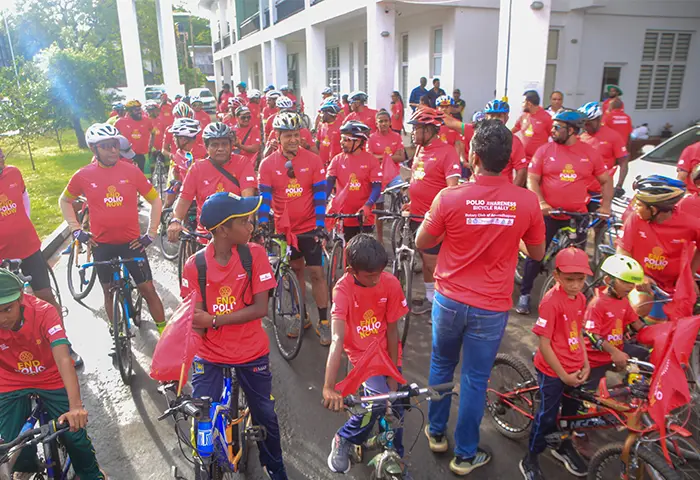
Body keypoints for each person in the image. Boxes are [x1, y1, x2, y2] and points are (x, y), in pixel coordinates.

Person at [415, 119, 545, 476]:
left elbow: (422, 241)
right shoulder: (526, 201)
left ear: (473, 157)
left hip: (449, 300)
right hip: (490, 307)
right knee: (474, 379)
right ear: (507, 161)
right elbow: (536, 254)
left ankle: (436, 433)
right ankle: (465, 454)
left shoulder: (449, 197)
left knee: (441, 365)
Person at [180, 192, 289, 480]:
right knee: (202, 417)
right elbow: (196, 321)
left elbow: (260, 308)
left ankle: (275, 467)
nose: (251, 226)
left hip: (251, 353)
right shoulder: (195, 265)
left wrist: (215, 320)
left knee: (265, 414)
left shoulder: (254, 254)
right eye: (243, 221)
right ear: (222, 230)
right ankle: (204, 463)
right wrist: (181, 356)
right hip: (209, 356)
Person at [59, 124, 166, 335]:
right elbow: (64, 200)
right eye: (106, 146)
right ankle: (117, 331)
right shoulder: (83, 175)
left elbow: (155, 200)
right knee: (108, 292)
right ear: (94, 149)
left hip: (131, 243)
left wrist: (151, 234)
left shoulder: (131, 171)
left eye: (115, 145)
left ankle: (164, 334)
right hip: (101, 244)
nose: (113, 150)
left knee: (148, 289)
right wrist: (76, 230)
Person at [0, 270, 106, 479]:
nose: (2, 319)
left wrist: (76, 407)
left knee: (74, 434)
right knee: (12, 443)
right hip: (10, 380)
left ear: (21, 297)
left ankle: (91, 474)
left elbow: (64, 359)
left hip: (51, 376)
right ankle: (27, 467)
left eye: (7, 309)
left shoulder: (44, 312)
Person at [321, 234, 408, 475]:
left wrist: (393, 372)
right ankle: (345, 438)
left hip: (387, 352)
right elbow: (337, 340)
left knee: (398, 405)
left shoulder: (390, 283)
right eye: (370, 275)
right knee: (377, 403)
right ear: (351, 271)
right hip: (361, 356)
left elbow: (392, 331)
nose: (376, 279)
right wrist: (328, 387)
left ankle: (397, 457)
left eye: (379, 273)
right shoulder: (342, 290)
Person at [516, 110, 612, 316]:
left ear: (572, 131)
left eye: (557, 127)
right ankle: (525, 293)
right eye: (553, 126)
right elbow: (532, 178)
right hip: (549, 214)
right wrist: (541, 202)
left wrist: (606, 206)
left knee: (577, 260)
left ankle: (571, 301)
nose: (552, 130)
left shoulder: (589, 153)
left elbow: (605, 180)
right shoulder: (545, 150)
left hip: (577, 215)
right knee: (536, 255)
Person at [0, 149, 83, 367]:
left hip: (28, 247)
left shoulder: (13, 173)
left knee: (46, 297)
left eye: (1, 156)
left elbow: (24, 200)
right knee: (6, 308)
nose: (1, 160)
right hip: (2, 258)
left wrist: (21, 226)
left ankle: (63, 345)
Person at [258, 112, 330, 344]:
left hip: (310, 227)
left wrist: (321, 225)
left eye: (296, 135)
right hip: (285, 230)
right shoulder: (267, 164)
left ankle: (324, 321)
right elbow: (265, 199)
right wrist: (262, 224)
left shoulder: (313, 160)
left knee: (317, 273)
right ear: (277, 137)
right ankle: (302, 316)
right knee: (296, 271)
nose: (293, 140)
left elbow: (320, 196)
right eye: (288, 135)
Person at [520, 247, 591, 480]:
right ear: (557, 276)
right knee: (547, 416)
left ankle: (562, 445)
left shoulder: (581, 299)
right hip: (553, 370)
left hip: (575, 368)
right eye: (570, 279)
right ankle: (531, 458)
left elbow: (578, 333)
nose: (576, 285)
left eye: (580, 279)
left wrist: (586, 363)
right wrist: (562, 375)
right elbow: (545, 344)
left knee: (571, 413)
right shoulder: (551, 302)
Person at [617, 175, 700, 320]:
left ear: (654, 209)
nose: (635, 208)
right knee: (641, 306)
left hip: (671, 287)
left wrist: (689, 276)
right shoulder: (635, 219)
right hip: (641, 279)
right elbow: (622, 251)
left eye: (639, 205)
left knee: (668, 326)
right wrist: (638, 276)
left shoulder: (688, 224)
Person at [405, 107, 461, 315]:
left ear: (428, 130)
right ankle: (431, 298)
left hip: (435, 219)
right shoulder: (420, 149)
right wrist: (411, 202)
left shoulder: (447, 152)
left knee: (434, 264)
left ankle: (445, 305)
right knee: (425, 260)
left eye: (416, 128)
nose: (412, 133)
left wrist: (440, 215)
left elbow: (452, 189)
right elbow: (418, 178)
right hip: (416, 214)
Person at [167, 122, 256, 242]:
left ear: (231, 145)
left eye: (224, 144)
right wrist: (176, 220)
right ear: (206, 147)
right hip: (206, 234)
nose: (220, 149)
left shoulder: (242, 163)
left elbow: (248, 198)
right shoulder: (197, 168)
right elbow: (184, 199)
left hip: (235, 234)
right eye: (214, 145)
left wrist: (248, 223)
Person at [582, 255, 649, 392]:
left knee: (647, 356)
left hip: (618, 348)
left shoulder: (623, 300)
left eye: (632, 282)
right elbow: (592, 335)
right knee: (587, 396)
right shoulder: (597, 303)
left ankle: (633, 387)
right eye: (625, 282)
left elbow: (638, 325)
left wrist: (662, 335)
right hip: (595, 358)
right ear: (608, 280)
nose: (630, 286)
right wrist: (615, 352)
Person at [326, 121, 382, 242]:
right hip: (343, 216)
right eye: (341, 139)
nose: (342, 142)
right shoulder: (337, 160)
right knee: (345, 250)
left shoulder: (371, 161)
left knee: (362, 251)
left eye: (346, 140)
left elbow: (377, 188)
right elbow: (328, 184)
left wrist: (368, 205)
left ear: (358, 141)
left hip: (364, 217)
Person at [368, 110, 406, 244]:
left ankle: (403, 227)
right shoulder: (371, 138)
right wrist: (388, 157)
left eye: (386, 121)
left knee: (403, 192)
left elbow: (401, 157)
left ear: (390, 122)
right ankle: (380, 238)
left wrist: (382, 157)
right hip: (377, 176)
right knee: (379, 206)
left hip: (393, 174)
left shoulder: (396, 136)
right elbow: (370, 158)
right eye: (381, 121)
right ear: (376, 123)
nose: (383, 124)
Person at [578, 102, 629, 198]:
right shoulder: (580, 137)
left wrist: (619, 186)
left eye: (589, 123)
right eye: (584, 124)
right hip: (582, 189)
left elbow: (623, 163)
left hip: (602, 191)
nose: (586, 127)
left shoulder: (613, 136)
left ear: (598, 119)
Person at [480, 99, 528, 186]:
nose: (495, 119)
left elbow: (521, 170)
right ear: (486, 117)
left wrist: (512, 191)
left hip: (503, 189)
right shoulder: (478, 137)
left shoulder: (514, 141)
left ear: (506, 118)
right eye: (492, 116)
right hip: (481, 188)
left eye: (499, 116)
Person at [163, 118, 201, 208]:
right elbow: (176, 171)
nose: (173, 139)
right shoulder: (178, 153)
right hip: (185, 196)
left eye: (175, 137)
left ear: (183, 139)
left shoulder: (203, 153)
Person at [512, 90, 553, 162]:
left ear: (529, 104)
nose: (522, 105)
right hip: (523, 159)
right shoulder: (523, 116)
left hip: (538, 160)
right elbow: (515, 128)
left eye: (523, 102)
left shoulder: (546, 118)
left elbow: (554, 135)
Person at [115, 99, 154, 174]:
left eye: (139, 109)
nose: (139, 112)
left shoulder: (147, 120)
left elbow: (153, 133)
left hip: (143, 154)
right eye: (136, 110)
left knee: (146, 177)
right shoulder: (120, 122)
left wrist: (150, 146)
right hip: (127, 156)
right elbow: (114, 138)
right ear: (129, 111)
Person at [435, 95, 465, 165]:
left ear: (451, 108)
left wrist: (455, 161)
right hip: (435, 158)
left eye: (447, 106)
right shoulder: (432, 123)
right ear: (437, 108)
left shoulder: (456, 123)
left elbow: (458, 143)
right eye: (441, 106)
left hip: (450, 159)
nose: (444, 109)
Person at [316, 99, 344, 167]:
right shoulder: (321, 125)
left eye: (323, 113)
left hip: (336, 164)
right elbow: (318, 142)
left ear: (329, 114)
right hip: (322, 163)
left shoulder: (341, 127)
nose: (321, 116)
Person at [145, 101, 167, 182]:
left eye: (158, 110)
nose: (157, 112)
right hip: (151, 148)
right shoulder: (146, 121)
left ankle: (166, 177)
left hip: (161, 146)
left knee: (166, 162)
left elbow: (164, 134)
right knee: (151, 167)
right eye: (156, 111)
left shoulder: (160, 121)